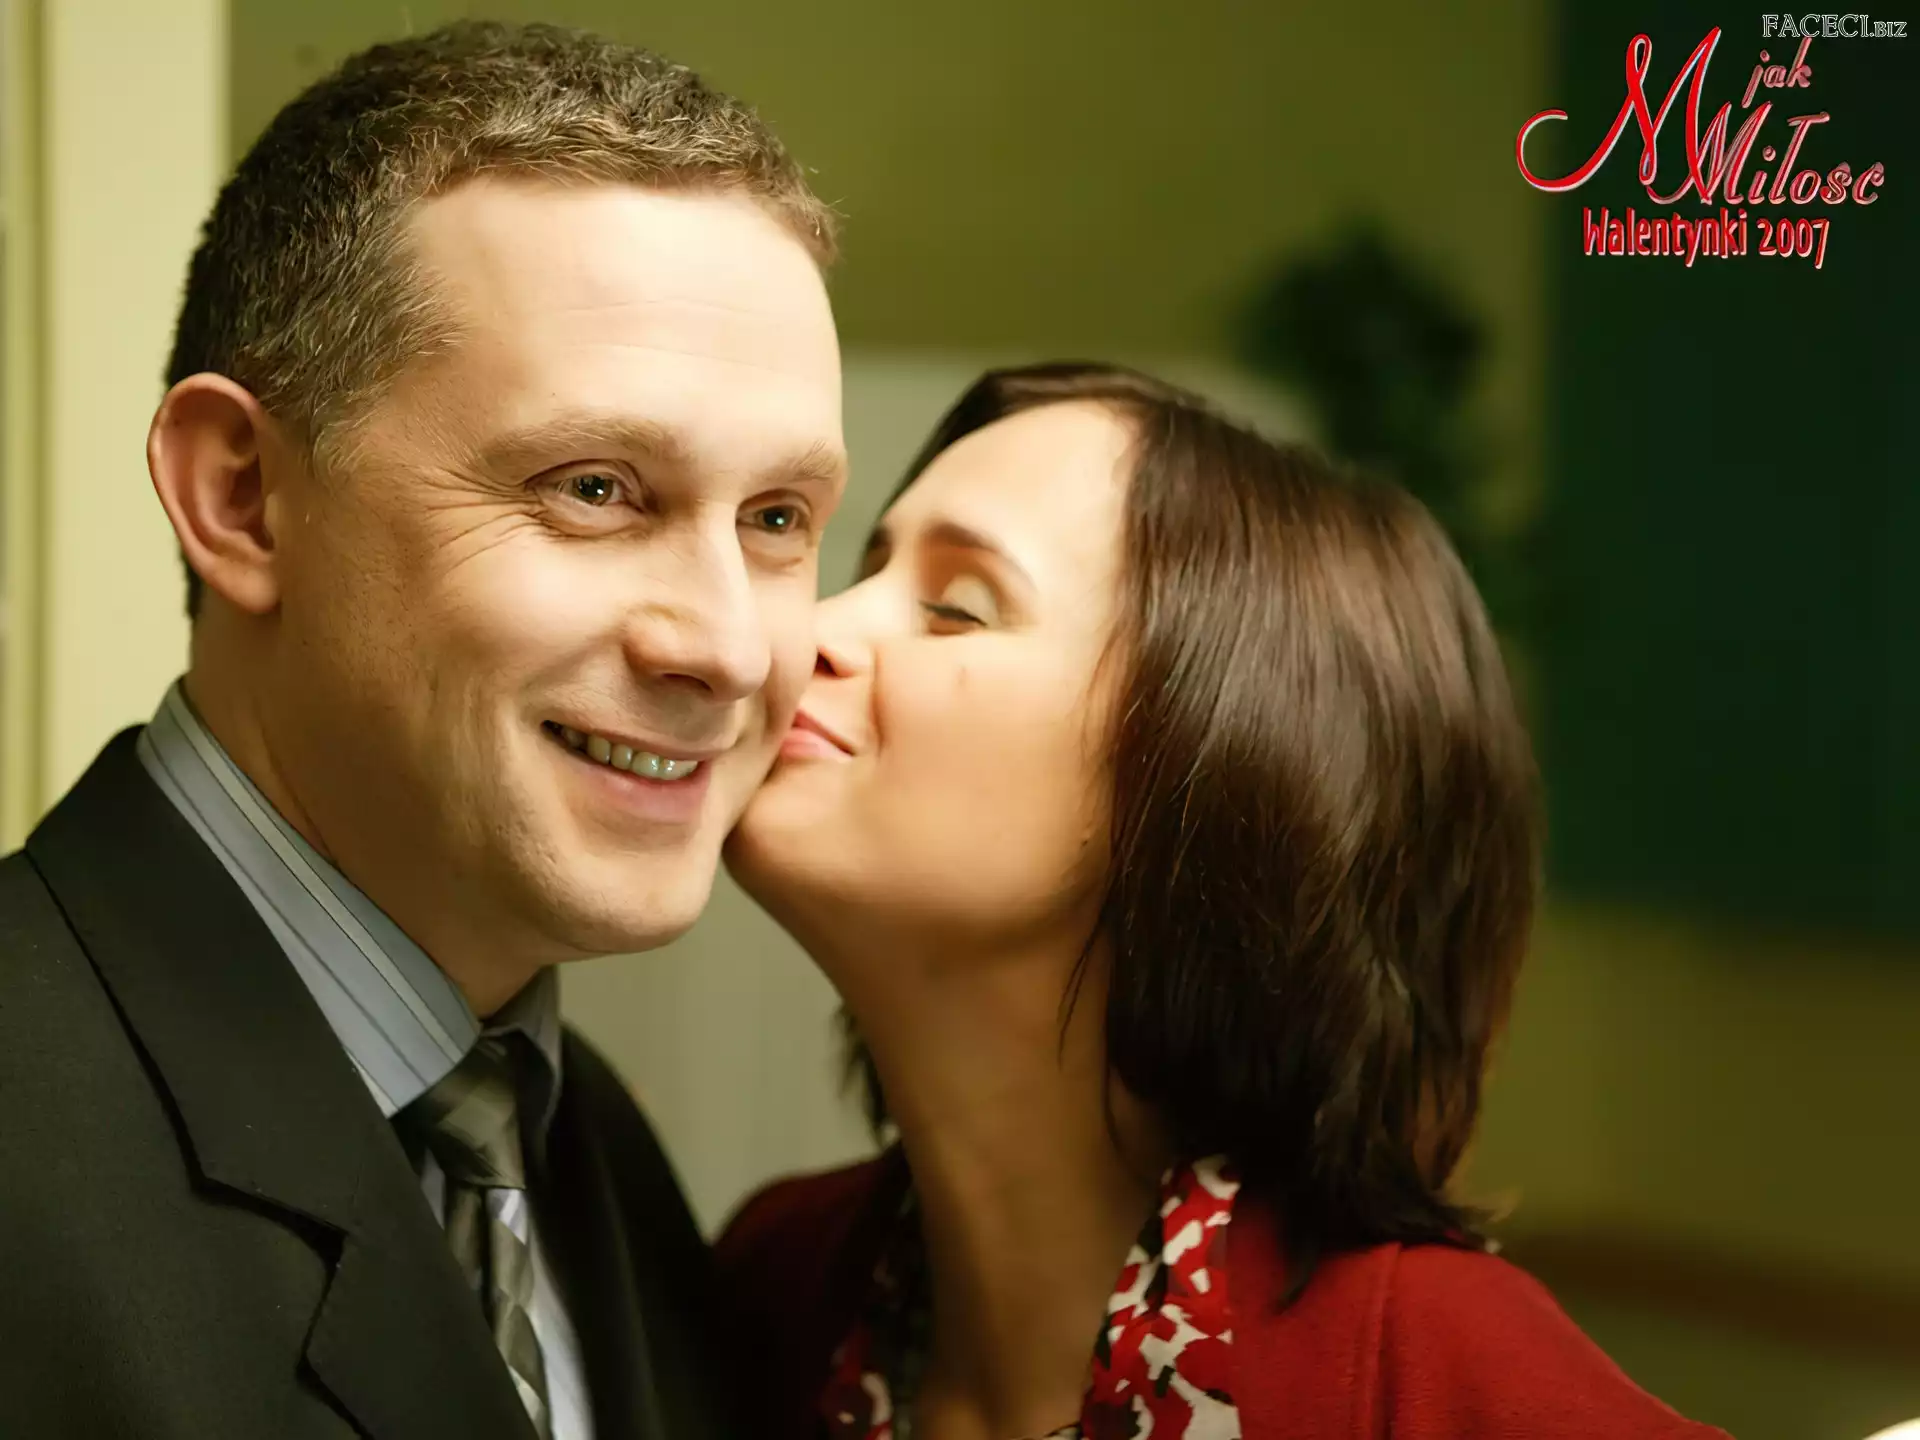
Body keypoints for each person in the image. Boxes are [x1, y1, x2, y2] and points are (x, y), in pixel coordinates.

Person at [0, 22, 843, 1440]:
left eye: (776, 518)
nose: (729, 648)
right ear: (243, 498)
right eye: (593, 488)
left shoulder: (595, 1155)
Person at [716, 363, 1729, 1439]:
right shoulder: (770, 1288)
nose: (805, 632)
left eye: (957, 609)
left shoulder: (1427, 1379)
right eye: (862, 569)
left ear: (1222, 776)